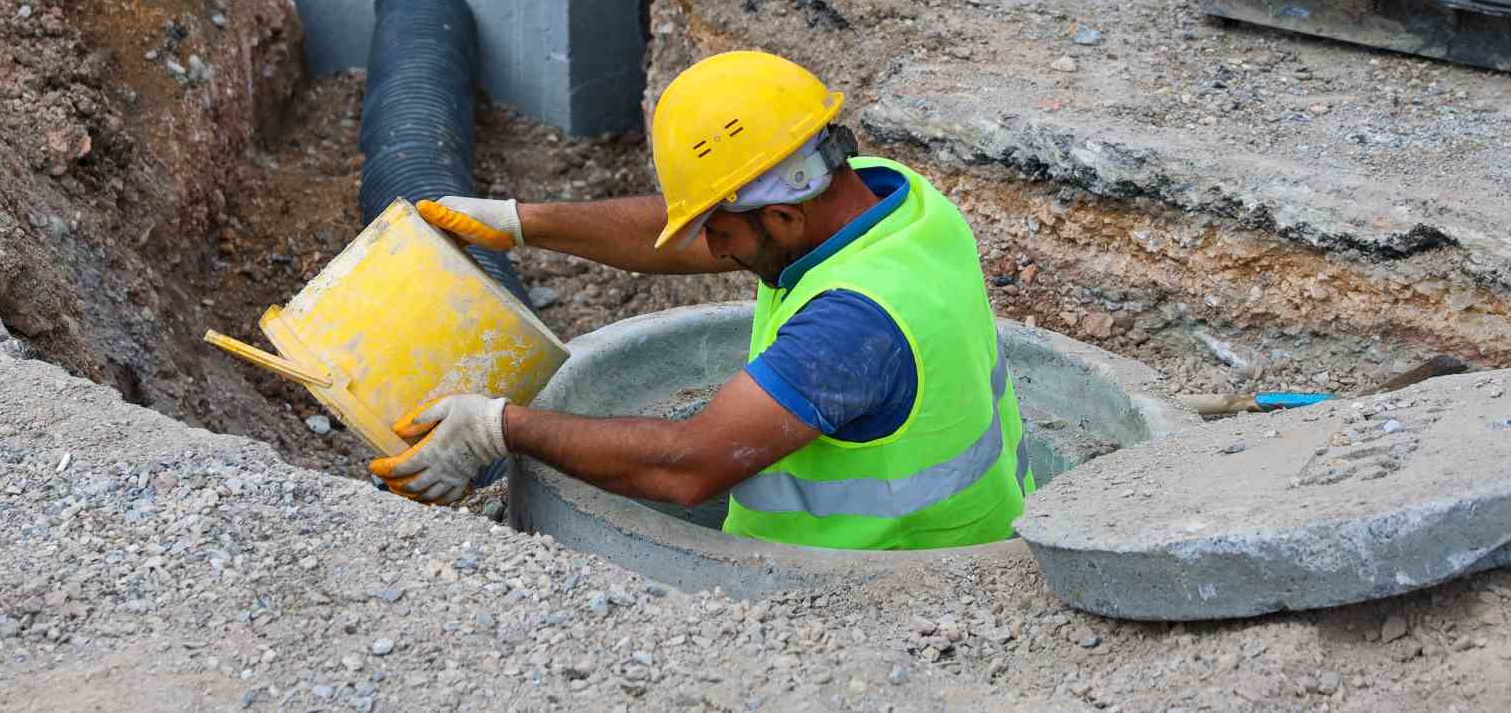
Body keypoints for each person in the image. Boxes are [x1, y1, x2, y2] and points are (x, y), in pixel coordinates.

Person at [369, 50, 1034, 550]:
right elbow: (702, 232)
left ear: (780, 219)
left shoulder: (851, 327)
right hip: (970, 530)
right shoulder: (890, 202)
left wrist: (498, 429)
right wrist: (523, 222)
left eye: (721, 232)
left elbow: (692, 466)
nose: (712, 251)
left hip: (886, 595)